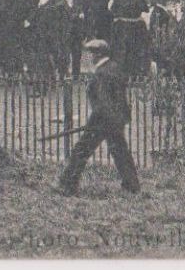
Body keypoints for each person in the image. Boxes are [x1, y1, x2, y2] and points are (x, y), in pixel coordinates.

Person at [57, 39, 141, 196]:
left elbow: (103, 102)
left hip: (103, 120)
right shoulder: (114, 68)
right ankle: (132, 186)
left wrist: (94, 123)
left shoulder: (101, 73)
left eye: (89, 54)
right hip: (115, 119)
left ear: (97, 54)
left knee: (81, 150)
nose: (87, 58)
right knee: (120, 152)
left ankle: (67, 185)